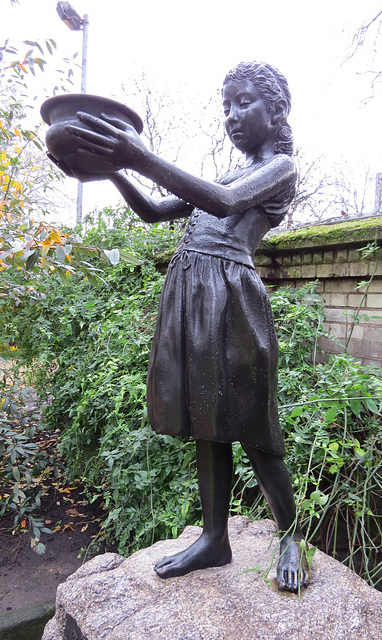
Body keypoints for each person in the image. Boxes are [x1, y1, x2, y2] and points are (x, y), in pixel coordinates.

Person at [63, 61, 309, 592]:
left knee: (254, 426)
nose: (232, 115)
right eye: (225, 106)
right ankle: (214, 538)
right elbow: (153, 212)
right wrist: (111, 169)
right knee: (208, 418)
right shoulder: (224, 172)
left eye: (244, 102)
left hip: (234, 298)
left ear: (276, 109)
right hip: (194, 291)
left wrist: (138, 154)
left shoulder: (281, 168)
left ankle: (290, 534)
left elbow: (221, 205)